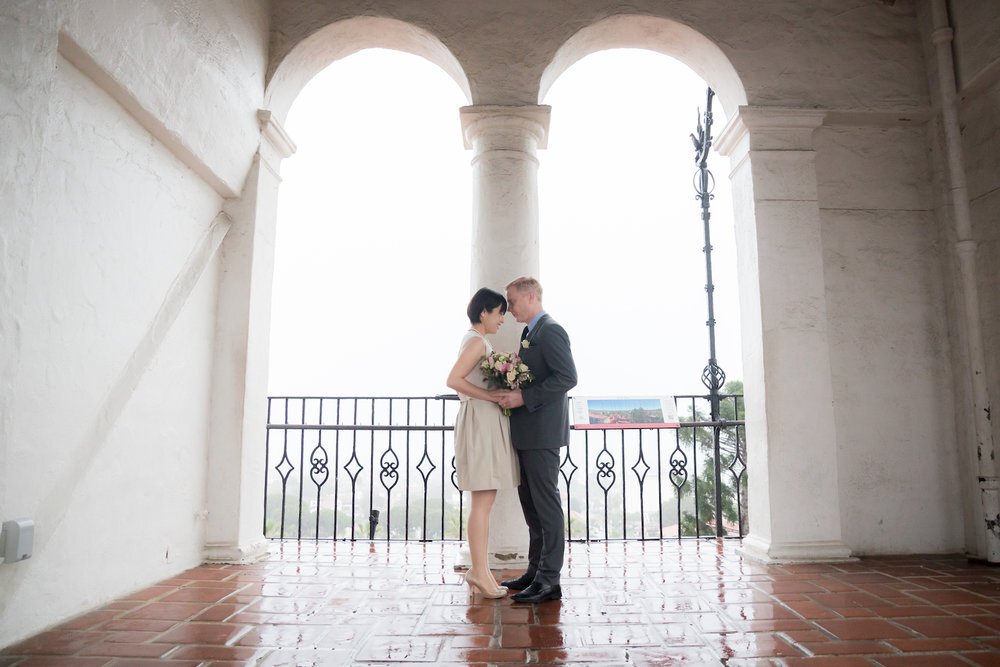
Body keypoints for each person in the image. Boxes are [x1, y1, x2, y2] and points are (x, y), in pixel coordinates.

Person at [497, 276, 578, 604]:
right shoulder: (529, 332)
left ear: (530, 298)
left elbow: (568, 377)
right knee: (530, 505)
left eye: (512, 301)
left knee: (546, 506)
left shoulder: (552, 330)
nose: (509, 307)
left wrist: (524, 398)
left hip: (543, 433)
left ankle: (549, 580)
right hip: (528, 432)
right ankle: (534, 571)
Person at [447, 287, 520, 599]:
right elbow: (453, 380)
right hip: (479, 422)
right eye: (499, 312)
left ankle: (482, 570)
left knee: (483, 502)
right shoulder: (476, 342)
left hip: (482, 422)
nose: (502, 319)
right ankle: (479, 571)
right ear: (483, 313)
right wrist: (491, 395)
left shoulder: (477, 341)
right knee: (482, 502)